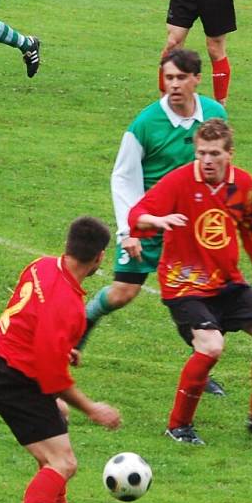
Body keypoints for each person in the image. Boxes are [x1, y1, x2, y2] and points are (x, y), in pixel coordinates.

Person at [127, 119, 252, 444]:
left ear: (230, 153)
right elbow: (137, 214)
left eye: (214, 154)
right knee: (212, 346)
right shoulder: (179, 181)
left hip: (227, 282)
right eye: (201, 153)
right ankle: (178, 426)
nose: (207, 161)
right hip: (183, 284)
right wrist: (157, 220)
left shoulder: (243, 184)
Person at [80, 48, 228, 395]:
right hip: (147, 224)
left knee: (192, 295)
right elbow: (123, 178)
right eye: (168, 78)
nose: (173, 85)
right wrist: (129, 231)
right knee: (122, 294)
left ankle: (200, 367)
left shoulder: (215, 115)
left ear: (196, 80)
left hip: (187, 228)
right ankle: (84, 320)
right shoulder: (145, 124)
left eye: (180, 78)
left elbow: (221, 164)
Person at [0, 216, 121, 503]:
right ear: (100, 257)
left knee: (59, 415)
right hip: (13, 381)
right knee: (63, 461)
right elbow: (53, 377)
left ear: (68, 244)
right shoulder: (69, 305)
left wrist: (58, 347)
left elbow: (32, 317)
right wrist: (93, 408)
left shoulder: (40, 265)